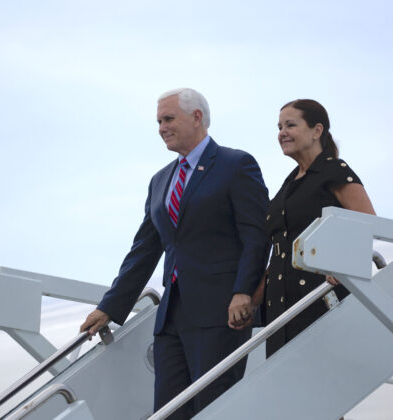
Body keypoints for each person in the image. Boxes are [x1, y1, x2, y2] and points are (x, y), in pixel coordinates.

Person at [80, 88, 269, 419]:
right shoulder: (160, 180)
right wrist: (109, 307)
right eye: (158, 121)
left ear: (196, 117)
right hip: (172, 317)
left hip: (221, 312)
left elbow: (256, 235)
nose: (161, 128)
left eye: (168, 119)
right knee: (169, 411)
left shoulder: (235, 164)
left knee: (214, 407)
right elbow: (144, 251)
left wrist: (243, 292)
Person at [249, 99, 376, 358]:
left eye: (291, 125)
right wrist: (252, 298)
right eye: (279, 126)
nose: (282, 132)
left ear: (317, 130)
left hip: (320, 300)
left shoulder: (335, 171)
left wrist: (345, 263)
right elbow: (280, 248)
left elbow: (368, 223)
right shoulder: (288, 183)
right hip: (281, 309)